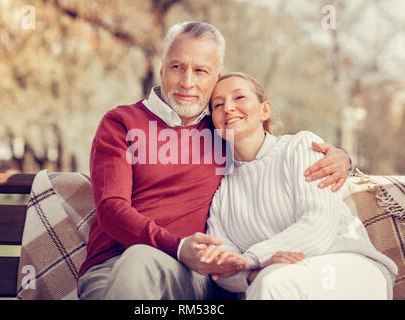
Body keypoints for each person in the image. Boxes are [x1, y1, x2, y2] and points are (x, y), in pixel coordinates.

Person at [77, 21, 352, 300]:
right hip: (111, 265)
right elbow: (111, 209)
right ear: (162, 69)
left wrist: (342, 157)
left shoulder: (221, 129)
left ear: (215, 78)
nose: (187, 82)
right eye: (177, 67)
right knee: (136, 261)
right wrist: (179, 245)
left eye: (200, 71)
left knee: (140, 260)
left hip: (189, 274)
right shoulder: (121, 122)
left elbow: (269, 146)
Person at [198, 72, 398, 299]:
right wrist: (250, 274)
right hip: (276, 277)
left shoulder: (300, 147)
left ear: (265, 110)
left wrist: (252, 259)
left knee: (272, 283)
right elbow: (221, 261)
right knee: (269, 281)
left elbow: (318, 226)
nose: (228, 108)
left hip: (350, 269)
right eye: (218, 104)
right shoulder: (222, 191)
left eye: (239, 97)